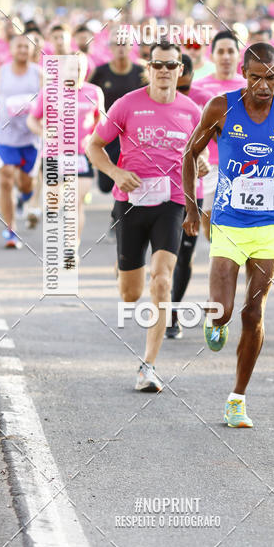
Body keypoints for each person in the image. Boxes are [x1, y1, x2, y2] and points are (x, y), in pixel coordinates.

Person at [182, 42, 274, 427]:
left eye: (271, 77)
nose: (264, 86)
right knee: (222, 311)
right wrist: (191, 208)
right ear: (243, 74)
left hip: (270, 223)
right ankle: (214, 322)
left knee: (254, 312)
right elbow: (189, 154)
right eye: (256, 77)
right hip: (228, 220)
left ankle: (237, 398)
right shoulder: (220, 108)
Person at [87, 42, 201, 392]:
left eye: (171, 65)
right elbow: (93, 146)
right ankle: (124, 267)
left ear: (181, 70)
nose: (164, 71)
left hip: (172, 203)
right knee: (130, 294)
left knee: (162, 280)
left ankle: (148, 366)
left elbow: (198, 154)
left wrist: (201, 164)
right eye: (158, 65)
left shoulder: (192, 111)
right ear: (148, 68)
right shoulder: (127, 105)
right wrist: (116, 173)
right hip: (131, 203)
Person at [27, 54, 104, 246]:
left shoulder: (94, 92)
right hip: (54, 154)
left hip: (81, 155)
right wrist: (44, 132)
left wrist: (94, 140)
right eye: (71, 68)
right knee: (54, 203)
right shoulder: (49, 92)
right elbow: (32, 119)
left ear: (85, 71)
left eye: (79, 69)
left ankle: (71, 246)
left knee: (75, 203)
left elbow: (100, 121)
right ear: (63, 70)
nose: (75, 73)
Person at [0, 32, 42, 247]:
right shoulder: (0, 73)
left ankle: (26, 196)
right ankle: (11, 229)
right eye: (19, 46)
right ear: (11, 49)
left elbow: (50, 102)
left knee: (26, 184)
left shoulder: (39, 75)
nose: (23, 50)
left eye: (27, 46)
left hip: (31, 138)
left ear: (32, 50)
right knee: (5, 180)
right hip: (4, 136)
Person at [166, 53, 211, 339]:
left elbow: (222, 138)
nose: (179, 94)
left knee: (184, 254)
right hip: (156, 188)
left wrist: (205, 159)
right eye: (174, 86)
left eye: (184, 88)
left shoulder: (205, 101)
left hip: (192, 188)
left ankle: (172, 311)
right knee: (161, 252)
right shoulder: (149, 100)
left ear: (192, 77)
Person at [89, 33, 146, 238]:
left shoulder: (141, 72)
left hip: (134, 135)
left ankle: (117, 216)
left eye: (125, 44)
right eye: (117, 44)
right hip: (109, 134)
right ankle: (117, 209)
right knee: (105, 184)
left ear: (131, 47)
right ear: (110, 47)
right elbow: (88, 95)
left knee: (127, 173)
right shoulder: (101, 72)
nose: (121, 48)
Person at [193, 30, 246, 238]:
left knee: (239, 219)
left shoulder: (249, 87)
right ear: (212, 55)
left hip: (244, 164)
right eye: (221, 52)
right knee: (209, 223)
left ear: (238, 55)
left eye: (230, 51)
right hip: (210, 163)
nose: (226, 56)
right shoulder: (199, 87)